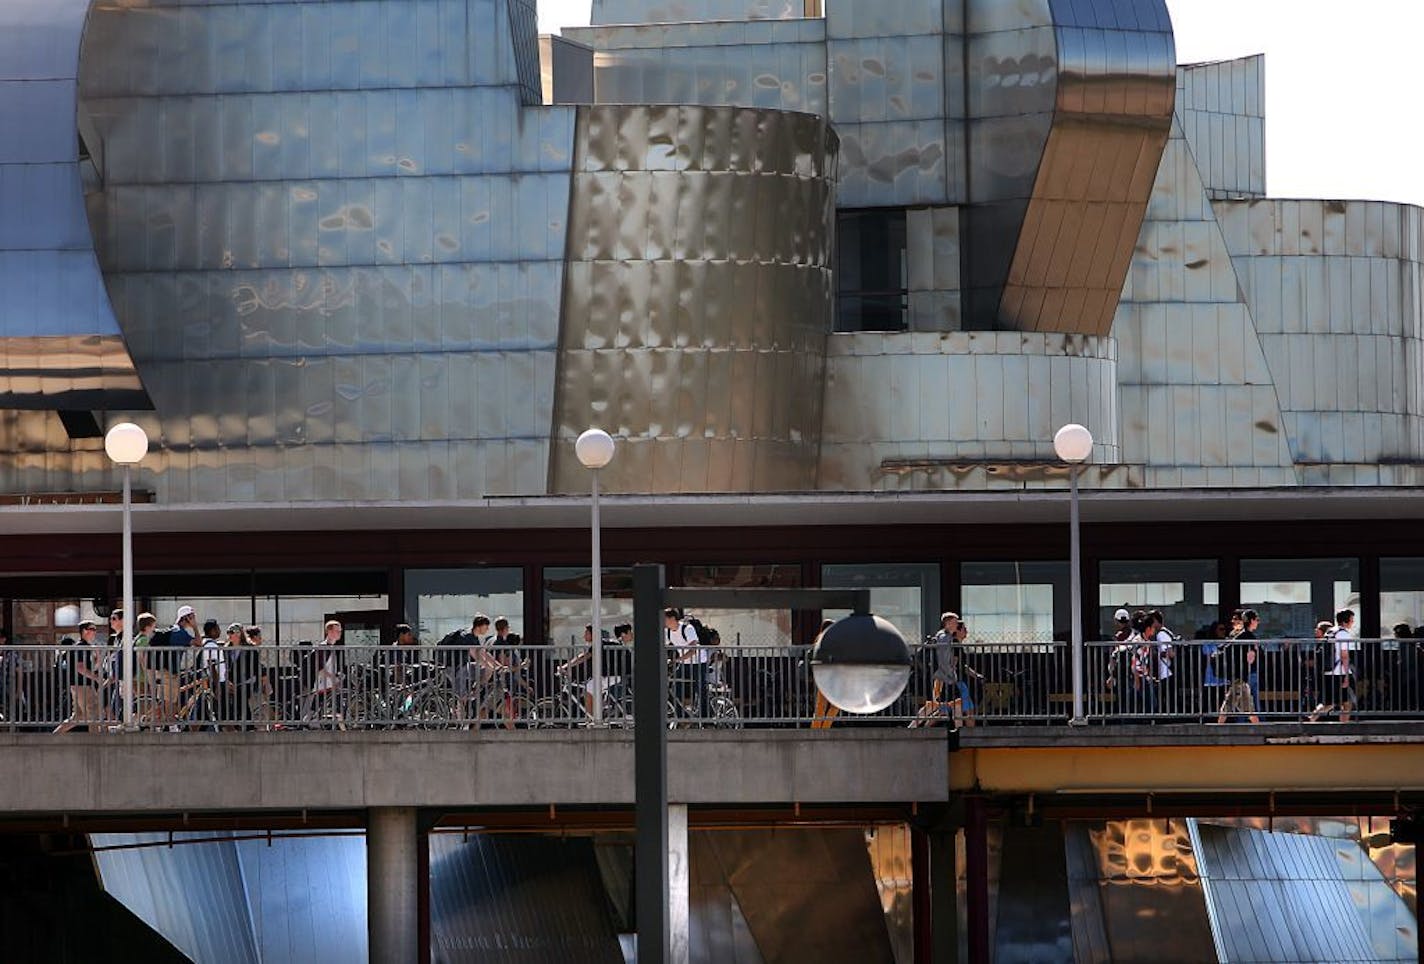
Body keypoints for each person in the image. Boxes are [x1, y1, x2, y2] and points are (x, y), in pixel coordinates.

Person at [53, 621, 112, 733]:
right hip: (83, 685)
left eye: (95, 629)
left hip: (79, 685)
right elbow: (80, 667)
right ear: (84, 631)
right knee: (95, 714)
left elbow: (91, 667)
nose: (95, 632)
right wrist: (96, 678)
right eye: (92, 629)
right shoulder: (81, 647)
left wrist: (98, 658)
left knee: (78, 716)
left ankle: (55, 735)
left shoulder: (85, 647)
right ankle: (96, 743)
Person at [1213, 610, 1260, 724]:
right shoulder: (1249, 637)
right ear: (1252, 620)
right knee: (1242, 708)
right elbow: (1250, 659)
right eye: (1257, 620)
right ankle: (1260, 730)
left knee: (1234, 706)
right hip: (1240, 677)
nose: (1258, 623)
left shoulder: (1239, 635)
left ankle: (1217, 729)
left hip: (1236, 676)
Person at [1311, 609, 1357, 722]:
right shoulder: (1343, 634)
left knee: (1339, 702)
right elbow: (1344, 656)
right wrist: (1346, 676)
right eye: (1351, 620)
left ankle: (1312, 718)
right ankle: (1312, 718)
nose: (1353, 622)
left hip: (1329, 671)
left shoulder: (1331, 632)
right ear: (1346, 622)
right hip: (1339, 672)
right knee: (1339, 703)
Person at [810, 618, 838, 729]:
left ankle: (817, 727)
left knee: (821, 705)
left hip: (822, 675)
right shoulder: (827, 639)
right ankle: (824, 727)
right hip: (831, 675)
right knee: (834, 705)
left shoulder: (819, 639)